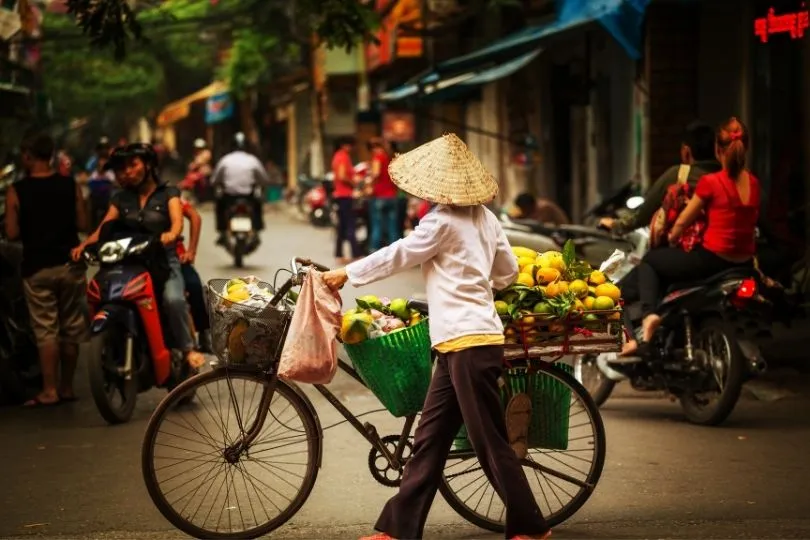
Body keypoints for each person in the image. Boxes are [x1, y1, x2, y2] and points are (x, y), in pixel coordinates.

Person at [322, 134, 551, 540]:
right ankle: (397, 529)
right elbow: (509, 273)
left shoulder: (440, 221)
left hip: (468, 343)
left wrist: (348, 273)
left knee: (489, 443)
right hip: (461, 344)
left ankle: (532, 528)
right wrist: (476, 279)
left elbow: (399, 254)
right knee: (429, 441)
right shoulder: (487, 218)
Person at [71, 143, 204, 369]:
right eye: (122, 168)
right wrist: (84, 245)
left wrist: (171, 235)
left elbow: (178, 223)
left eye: (133, 165)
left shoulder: (168, 193)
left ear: (149, 165)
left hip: (162, 260)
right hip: (128, 261)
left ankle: (187, 348)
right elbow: (103, 227)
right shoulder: (120, 199)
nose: (128, 172)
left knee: (173, 300)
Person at [632, 117, 760, 350]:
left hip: (712, 261)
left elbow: (682, 222)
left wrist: (671, 238)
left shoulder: (711, 182)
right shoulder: (753, 182)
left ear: (717, 149)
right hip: (745, 262)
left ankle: (649, 315)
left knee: (651, 261)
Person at [4, 132, 89, 407]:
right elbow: (82, 222)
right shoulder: (70, 185)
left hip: (37, 268)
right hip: (70, 265)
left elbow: (12, 233)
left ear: (27, 155)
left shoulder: (17, 190)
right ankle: (66, 388)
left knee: (46, 330)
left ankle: (49, 390)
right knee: (71, 327)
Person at [601, 121, 721, 234]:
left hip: (690, 248)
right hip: (728, 249)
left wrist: (617, 225)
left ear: (686, 152)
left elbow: (644, 215)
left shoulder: (679, 174)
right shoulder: (729, 175)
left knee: (651, 256)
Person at [211, 133, 270, 246]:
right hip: (248, 196)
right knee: (257, 205)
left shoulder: (225, 160)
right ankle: (257, 230)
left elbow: (214, 180)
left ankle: (222, 232)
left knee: (219, 206)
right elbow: (264, 179)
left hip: (229, 196)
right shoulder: (253, 160)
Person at [176, 196, 212, 352]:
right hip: (137, 260)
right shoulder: (121, 200)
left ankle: (204, 332)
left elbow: (195, 216)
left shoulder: (170, 196)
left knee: (194, 286)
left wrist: (191, 251)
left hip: (173, 256)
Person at [367, 137, 399, 251]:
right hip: (392, 196)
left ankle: (374, 251)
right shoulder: (388, 157)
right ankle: (395, 252)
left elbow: (375, 174)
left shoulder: (378, 157)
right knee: (392, 227)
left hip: (380, 197)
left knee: (377, 226)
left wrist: (369, 184)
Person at [332, 136, 360, 264]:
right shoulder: (343, 156)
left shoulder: (337, 156)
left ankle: (339, 254)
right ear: (345, 145)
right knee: (349, 225)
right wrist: (353, 183)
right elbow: (342, 176)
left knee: (342, 226)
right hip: (345, 195)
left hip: (340, 195)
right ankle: (355, 253)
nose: (352, 148)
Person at [87, 151, 118, 230]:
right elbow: (90, 183)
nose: (102, 165)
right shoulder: (94, 174)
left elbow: (115, 184)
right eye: (100, 163)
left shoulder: (110, 174)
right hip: (95, 199)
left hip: (106, 199)